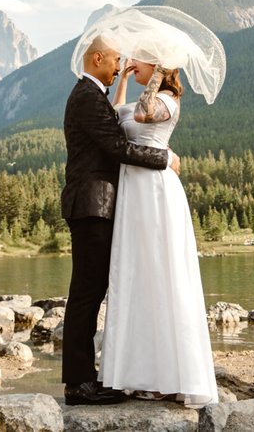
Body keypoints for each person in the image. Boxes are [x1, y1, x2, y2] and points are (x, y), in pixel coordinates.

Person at [62, 35, 180, 406]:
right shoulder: (86, 96)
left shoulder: (91, 94)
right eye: (115, 60)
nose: (120, 65)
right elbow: (116, 147)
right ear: (98, 58)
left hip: (101, 205)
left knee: (93, 291)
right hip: (92, 205)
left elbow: (117, 129)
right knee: (86, 293)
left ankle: (89, 378)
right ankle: (79, 384)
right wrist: (166, 160)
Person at [98, 56, 218, 407]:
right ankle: (139, 373)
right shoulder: (139, 97)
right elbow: (116, 115)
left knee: (160, 273)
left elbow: (141, 115)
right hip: (133, 194)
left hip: (155, 192)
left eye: (140, 60)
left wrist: (160, 73)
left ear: (157, 68)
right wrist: (122, 78)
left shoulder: (167, 100)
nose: (132, 62)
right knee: (137, 275)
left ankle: (170, 376)